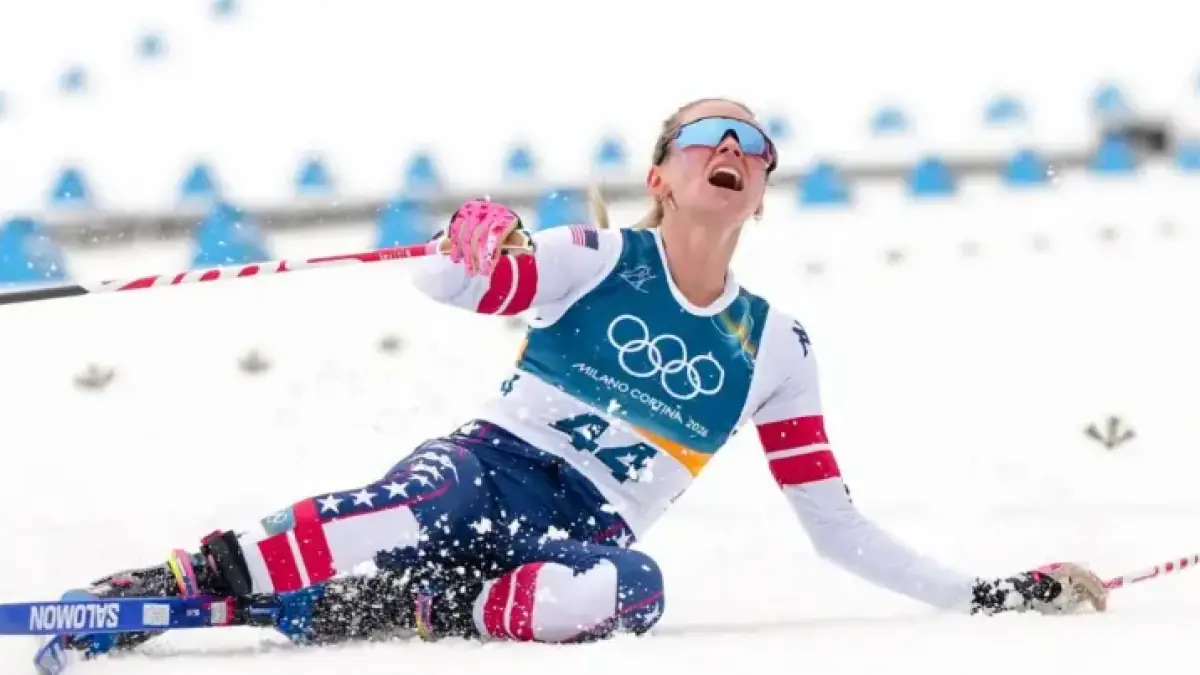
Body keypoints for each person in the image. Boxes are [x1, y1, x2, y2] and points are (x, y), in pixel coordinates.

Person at [58, 98, 1108, 660]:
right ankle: (178, 582)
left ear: (759, 192)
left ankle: (423, 606)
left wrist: (989, 594)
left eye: (754, 143)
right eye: (708, 135)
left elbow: (835, 528)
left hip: (578, 530)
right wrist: (465, 240)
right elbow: (453, 287)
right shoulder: (598, 258)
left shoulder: (777, 347)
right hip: (486, 470)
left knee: (630, 592)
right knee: (416, 505)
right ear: (662, 176)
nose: (733, 147)